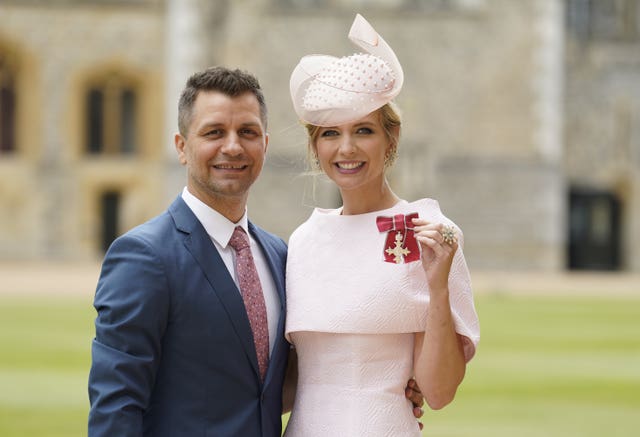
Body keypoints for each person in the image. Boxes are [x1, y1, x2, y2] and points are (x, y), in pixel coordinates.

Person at [87, 66, 424, 437]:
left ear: (263, 145)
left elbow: (281, 380)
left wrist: (396, 378)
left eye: (246, 132)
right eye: (214, 132)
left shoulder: (280, 253)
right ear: (182, 147)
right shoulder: (144, 256)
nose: (232, 146)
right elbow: (116, 406)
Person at [284, 14, 481, 436]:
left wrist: (438, 287)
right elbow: (290, 380)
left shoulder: (432, 231)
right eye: (330, 133)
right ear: (315, 146)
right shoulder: (302, 241)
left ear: (390, 139)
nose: (347, 148)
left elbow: (439, 391)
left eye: (364, 130)